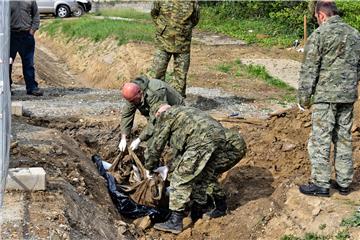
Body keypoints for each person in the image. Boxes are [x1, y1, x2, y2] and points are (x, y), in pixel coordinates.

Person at [144, 105, 246, 234]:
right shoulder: (184, 113)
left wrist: (149, 167)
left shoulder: (166, 116)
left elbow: (157, 145)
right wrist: (168, 168)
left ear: (159, 114)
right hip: (219, 140)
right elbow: (182, 154)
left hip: (203, 141)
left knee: (180, 179)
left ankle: (175, 221)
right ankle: (198, 212)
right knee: (204, 177)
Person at [298, 1, 360, 197]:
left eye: (317, 18)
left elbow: (309, 69)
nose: (317, 21)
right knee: (343, 137)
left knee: (320, 139)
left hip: (326, 97)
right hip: (348, 95)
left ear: (321, 15)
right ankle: (344, 183)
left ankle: (321, 183)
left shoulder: (319, 35)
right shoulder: (355, 34)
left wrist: (304, 98)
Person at [118, 76, 184, 152]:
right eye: (131, 101)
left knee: (171, 137)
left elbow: (156, 120)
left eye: (134, 100)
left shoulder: (154, 93)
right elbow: (127, 114)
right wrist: (124, 137)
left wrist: (139, 139)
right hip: (156, 111)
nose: (133, 103)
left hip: (175, 109)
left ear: (140, 93)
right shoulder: (132, 94)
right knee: (152, 140)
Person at [150, 0, 200, 97]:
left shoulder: (192, 1)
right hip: (163, 42)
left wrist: (184, 30)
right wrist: (163, 28)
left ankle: (178, 104)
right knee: (157, 73)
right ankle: (156, 101)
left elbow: (195, 19)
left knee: (180, 78)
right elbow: (154, 13)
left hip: (183, 43)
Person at [10, 1, 43, 96]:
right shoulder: (5, 1)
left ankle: (32, 88)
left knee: (28, 63)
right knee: (7, 64)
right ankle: (6, 89)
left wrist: (32, 30)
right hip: (11, 36)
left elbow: (36, 15)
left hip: (26, 36)